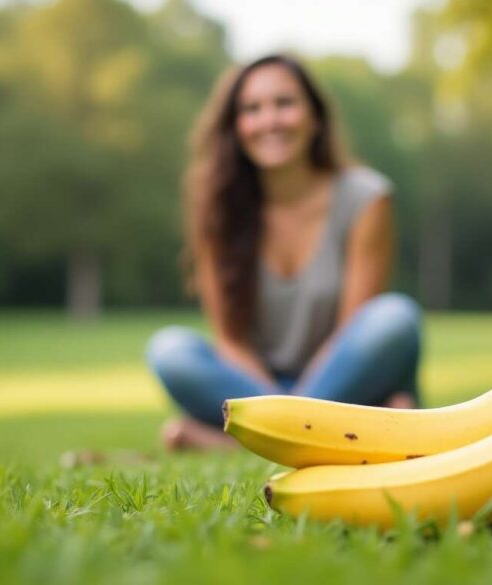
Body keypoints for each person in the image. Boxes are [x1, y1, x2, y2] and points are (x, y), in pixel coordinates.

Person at [146, 54, 422, 451]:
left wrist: (286, 410)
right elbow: (231, 341)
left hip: (348, 383)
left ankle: (246, 441)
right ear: (237, 128)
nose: (270, 120)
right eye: (252, 109)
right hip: (258, 387)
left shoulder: (367, 198)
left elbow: (353, 332)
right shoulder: (219, 209)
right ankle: (320, 434)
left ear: (315, 119)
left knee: (394, 319)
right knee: (170, 351)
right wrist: (278, 402)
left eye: (285, 103)